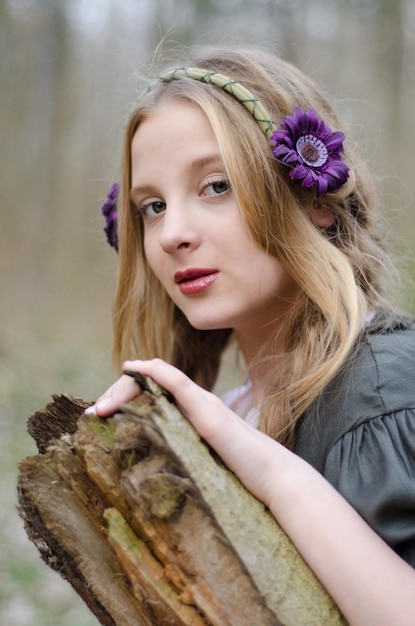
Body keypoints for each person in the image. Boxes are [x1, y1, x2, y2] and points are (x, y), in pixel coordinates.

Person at [88, 47, 415, 624]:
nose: (171, 235)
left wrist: (272, 473)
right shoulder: (233, 408)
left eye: (216, 186)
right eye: (153, 206)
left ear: (314, 197)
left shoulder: (385, 392)